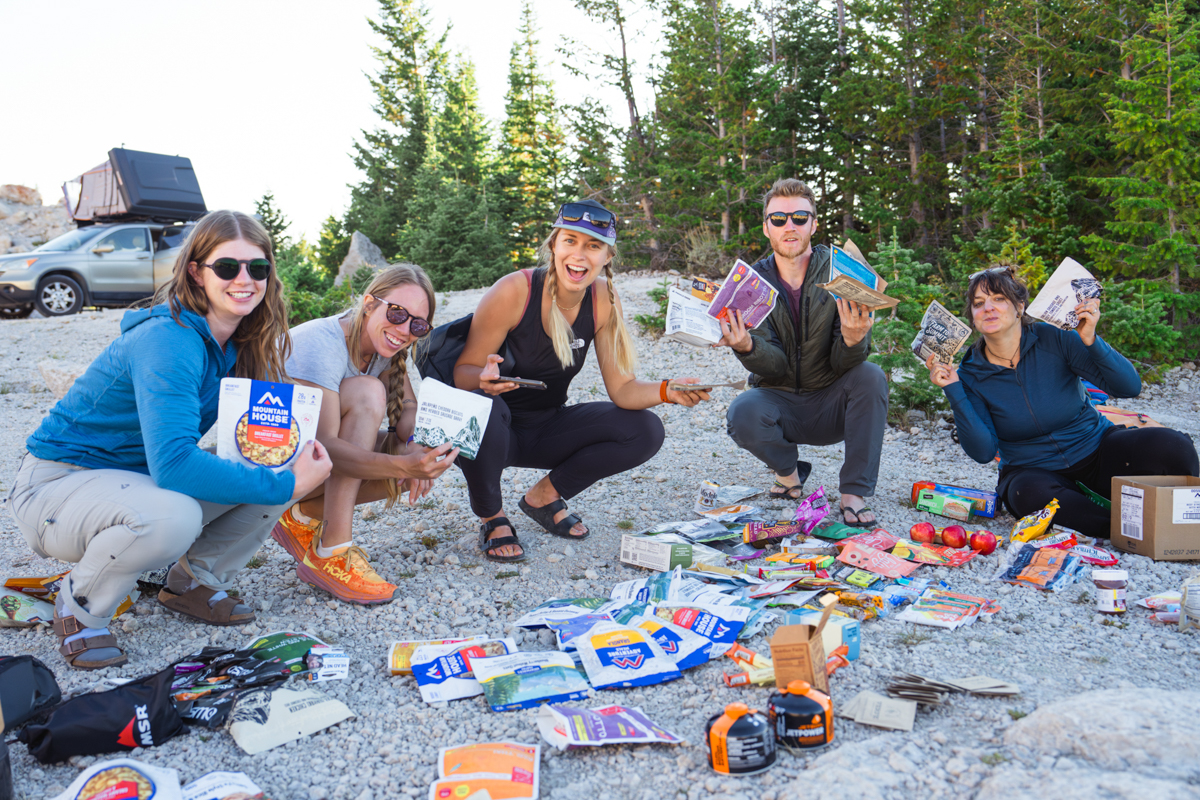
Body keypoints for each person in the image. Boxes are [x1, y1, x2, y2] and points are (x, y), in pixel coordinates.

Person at [6, 211, 332, 670]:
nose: (245, 279)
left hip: (131, 482)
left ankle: (192, 583)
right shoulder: (168, 339)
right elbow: (175, 465)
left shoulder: (240, 341)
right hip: (56, 486)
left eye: (257, 267)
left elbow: (257, 439)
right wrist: (288, 484)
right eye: (227, 267)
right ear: (196, 273)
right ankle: (81, 608)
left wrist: (291, 460)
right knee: (177, 516)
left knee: (276, 465)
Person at [453, 198, 711, 561]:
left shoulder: (604, 297)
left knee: (646, 430)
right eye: (570, 241)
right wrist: (482, 379)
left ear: (607, 256)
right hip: (488, 431)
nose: (579, 254)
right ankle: (492, 516)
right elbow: (462, 372)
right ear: (553, 245)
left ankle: (543, 497)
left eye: (593, 245)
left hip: (544, 428)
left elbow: (623, 389)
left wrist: (669, 390)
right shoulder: (514, 291)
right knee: (486, 406)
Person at [926, 265, 1198, 537]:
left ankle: (1185, 517)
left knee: (1172, 445)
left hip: (1097, 451)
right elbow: (983, 452)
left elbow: (1128, 387)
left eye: (999, 298)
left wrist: (1091, 340)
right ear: (972, 317)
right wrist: (953, 389)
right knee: (1027, 495)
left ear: (1019, 306)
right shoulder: (970, 373)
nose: (988, 308)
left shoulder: (1055, 337)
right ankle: (1127, 528)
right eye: (978, 303)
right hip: (1033, 472)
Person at [271, 265, 459, 605]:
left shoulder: (382, 347)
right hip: (265, 468)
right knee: (369, 393)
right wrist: (404, 467)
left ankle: (300, 516)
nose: (404, 329)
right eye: (397, 313)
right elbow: (328, 449)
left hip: (302, 463)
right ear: (370, 303)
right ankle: (332, 551)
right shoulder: (322, 344)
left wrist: (416, 447)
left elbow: (408, 410)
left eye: (417, 325)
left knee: (416, 452)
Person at [717, 178, 888, 527]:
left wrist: (853, 340)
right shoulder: (751, 282)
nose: (789, 226)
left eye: (799, 217)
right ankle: (788, 473)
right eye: (778, 219)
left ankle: (854, 493)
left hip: (831, 403)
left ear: (814, 224)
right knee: (742, 411)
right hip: (779, 403)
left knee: (871, 376)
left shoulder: (844, 272)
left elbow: (843, 364)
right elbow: (775, 366)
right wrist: (747, 347)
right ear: (766, 227)